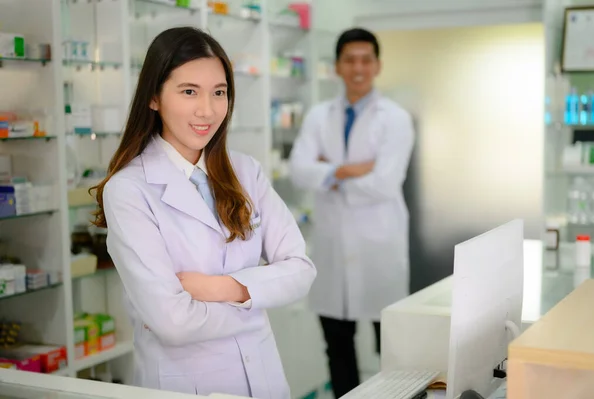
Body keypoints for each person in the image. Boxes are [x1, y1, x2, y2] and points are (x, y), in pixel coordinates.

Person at [91, 27, 316, 398]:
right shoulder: (129, 191)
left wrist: (219, 288)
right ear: (153, 97)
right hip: (187, 386)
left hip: (264, 379)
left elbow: (301, 270)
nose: (207, 110)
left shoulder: (247, 172)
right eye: (189, 91)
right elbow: (173, 323)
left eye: (219, 92)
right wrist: (257, 298)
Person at [289, 28, 414, 398]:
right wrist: (351, 170)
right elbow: (298, 169)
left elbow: (385, 184)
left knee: (391, 351)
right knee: (337, 347)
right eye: (350, 60)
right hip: (332, 244)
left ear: (377, 65)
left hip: (379, 245)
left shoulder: (394, 118)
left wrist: (328, 171)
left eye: (365, 59)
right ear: (337, 66)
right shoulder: (318, 115)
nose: (358, 68)